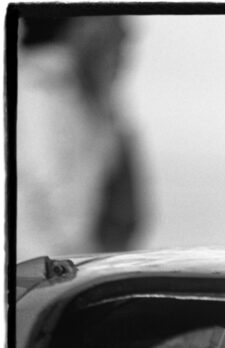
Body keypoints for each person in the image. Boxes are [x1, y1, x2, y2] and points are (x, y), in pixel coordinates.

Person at [16, 13, 143, 262]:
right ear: (84, 25)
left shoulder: (89, 102)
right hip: (46, 282)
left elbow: (124, 219)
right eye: (114, 19)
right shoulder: (41, 93)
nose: (125, 36)